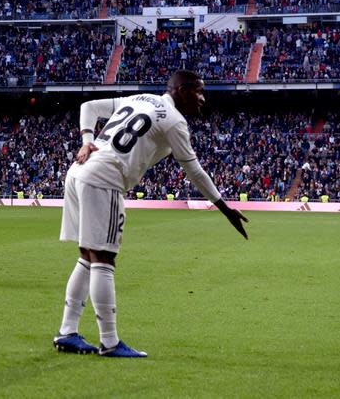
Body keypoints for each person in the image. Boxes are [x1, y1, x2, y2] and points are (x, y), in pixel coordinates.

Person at [54, 70, 249, 358]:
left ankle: (67, 331)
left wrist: (87, 139)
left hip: (79, 171)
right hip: (105, 176)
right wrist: (224, 208)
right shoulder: (174, 121)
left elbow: (88, 107)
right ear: (182, 90)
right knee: (104, 259)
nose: (203, 99)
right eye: (199, 91)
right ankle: (109, 342)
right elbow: (194, 171)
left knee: (87, 256)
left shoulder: (140, 98)